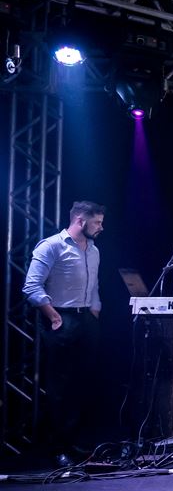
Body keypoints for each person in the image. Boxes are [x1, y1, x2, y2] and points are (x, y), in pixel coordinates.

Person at [22, 200, 105, 466]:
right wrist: (53, 316)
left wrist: (94, 310)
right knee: (60, 386)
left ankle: (75, 443)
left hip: (85, 319)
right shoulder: (51, 246)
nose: (101, 227)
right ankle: (57, 448)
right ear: (81, 220)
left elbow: (94, 285)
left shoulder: (93, 250)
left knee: (83, 384)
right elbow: (31, 286)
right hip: (61, 318)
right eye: (97, 222)